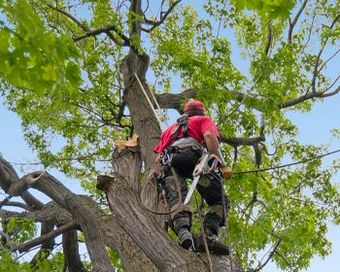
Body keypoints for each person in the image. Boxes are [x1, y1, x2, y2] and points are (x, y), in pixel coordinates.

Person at [153, 99, 232, 253]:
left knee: (176, 198)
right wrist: (222, 165)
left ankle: (183, 232)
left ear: (186, 113)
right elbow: (209, 137)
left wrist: (160, 187)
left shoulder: (169, 130)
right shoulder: (203, 120)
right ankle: (208, 236)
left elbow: (156, 161)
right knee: (220, 200)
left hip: (169, 164)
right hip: (193, 160)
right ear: (201, 112)